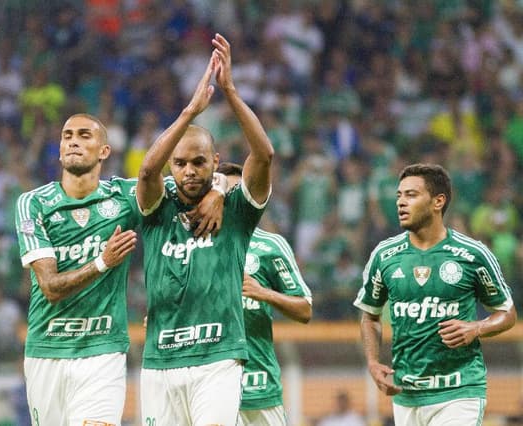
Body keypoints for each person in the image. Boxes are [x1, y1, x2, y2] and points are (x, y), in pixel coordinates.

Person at [14, 112, 223, 425]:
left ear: (104, 151)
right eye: (67, 136)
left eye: (85, 135)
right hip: (47, 350)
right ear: (59, 151)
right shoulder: (33, 203)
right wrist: (102, 262)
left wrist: (218, 189)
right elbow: (49, 287)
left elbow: (190, 179)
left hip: (104, 352)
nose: (73, 141)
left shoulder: (123, 197)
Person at [136, 33, 274, 425]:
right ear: (171, 166)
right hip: (160, 359)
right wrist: (189, 112)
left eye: (199, 162)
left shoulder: (237, 210)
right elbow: (147, 171)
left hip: (218, 356)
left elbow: (264, 155)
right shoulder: (154, 210)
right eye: (180, 163)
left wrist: (229, 91)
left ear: (215, 161)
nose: (189, 171)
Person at [353, 163, 517, 426]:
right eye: (399, 196)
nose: (401, 203)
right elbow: (370, 316)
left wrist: (477, 327)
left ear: (438, 201)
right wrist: (373, 362)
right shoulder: (384, 256)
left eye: (411, 195)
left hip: (460, 390)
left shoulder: (472, 254)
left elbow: (507, 312)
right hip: (407, 394)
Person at [218, 162, 313, 426]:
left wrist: (264, 293)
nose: (234, 198)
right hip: (210, 382)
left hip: (259, 383)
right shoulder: (197, 243)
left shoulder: (270, 245)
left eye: (240, 191)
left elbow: (305, 309)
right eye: (227, 191)